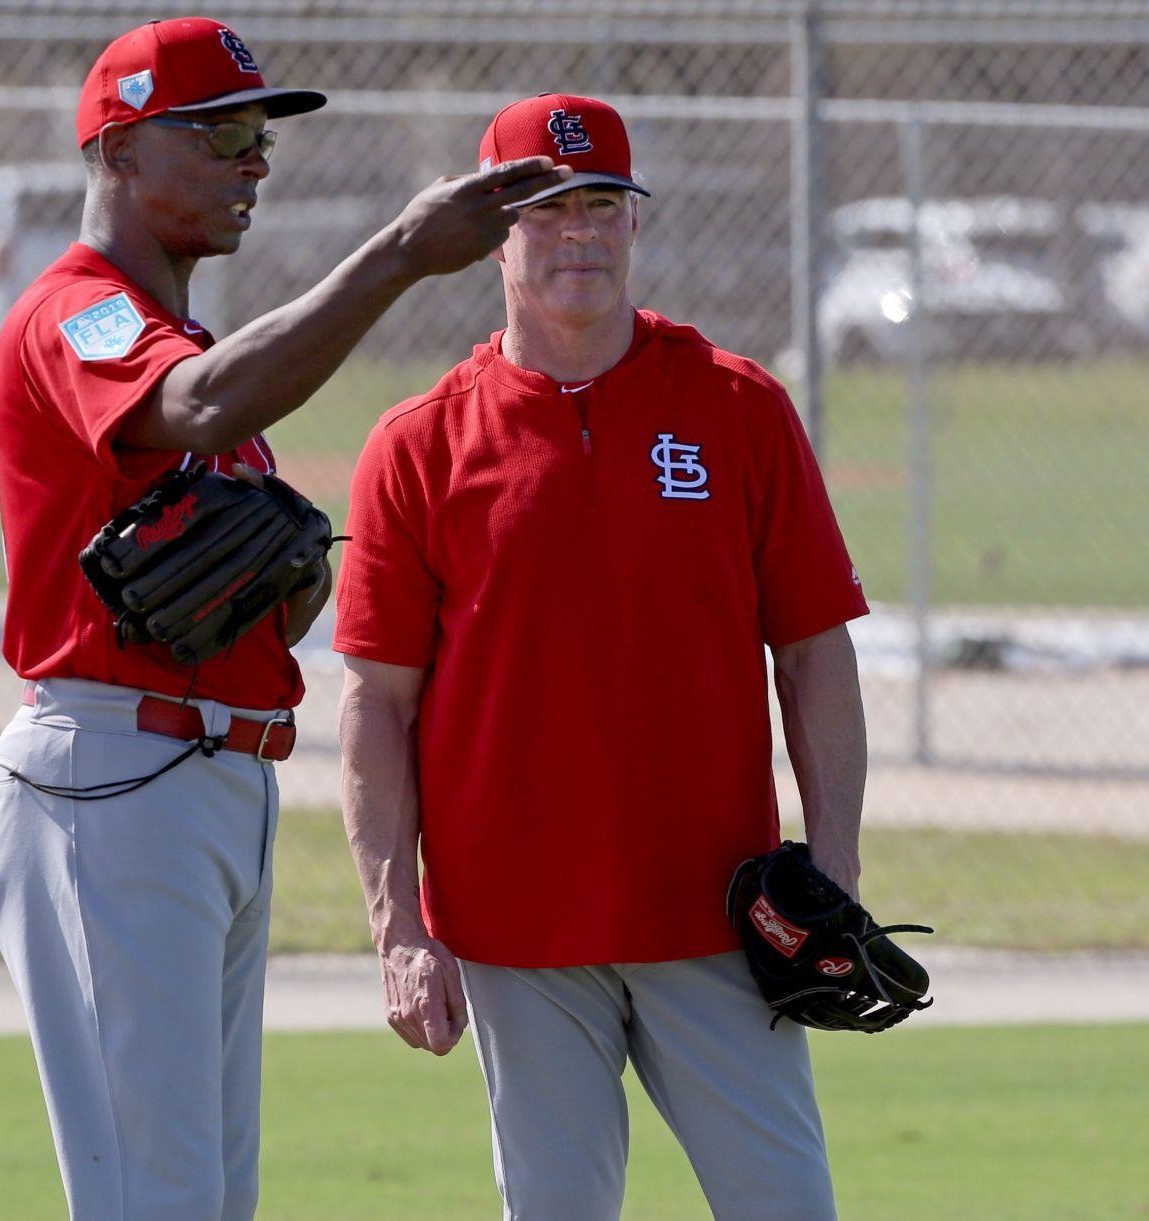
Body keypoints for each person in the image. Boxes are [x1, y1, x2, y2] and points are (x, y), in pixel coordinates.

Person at [0, 19, 567, 1221]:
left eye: (262, 139)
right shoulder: (77, 315)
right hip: (114, 778)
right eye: (222, 135)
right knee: (157, 1199)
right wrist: (399, 254)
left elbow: (216, 455)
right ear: (119, 151)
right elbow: (197, 405)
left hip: (203, 779)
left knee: (203, 1199)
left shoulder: (182, 339)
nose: (254, 161)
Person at [335, 93, 871, 1220]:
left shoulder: (735, 406)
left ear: (634, 223)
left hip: (717, 915)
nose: (577, 231)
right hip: (517, 933)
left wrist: (834, 863)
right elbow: (375, 707)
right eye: (544, 209)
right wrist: (400, 933)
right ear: (493, 232)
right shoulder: (419, 444)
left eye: (601, 206)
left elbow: (814, 653)